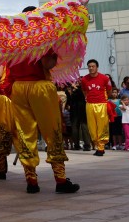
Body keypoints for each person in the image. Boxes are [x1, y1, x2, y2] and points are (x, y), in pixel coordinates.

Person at [6, 43, 79, 195]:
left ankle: (31, 181)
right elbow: (47, 63)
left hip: (18, 88)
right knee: (52, 131)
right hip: (40, 87)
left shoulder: (11, 42)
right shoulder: (41, 38)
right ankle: (61, 180)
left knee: (25, 134)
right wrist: (55, 54)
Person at [78, 59, 113, 155]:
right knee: (92, 127)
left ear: (97, 67)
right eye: (89, 66)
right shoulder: (84, 79)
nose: (91, 68)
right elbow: (84, 91)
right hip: (90, 105)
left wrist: (104, 99)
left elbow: (109, 91)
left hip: (101, 104)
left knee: (102, 126)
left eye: (93, 66)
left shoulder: (104, 78)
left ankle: (101, 148)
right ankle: (97, 146)